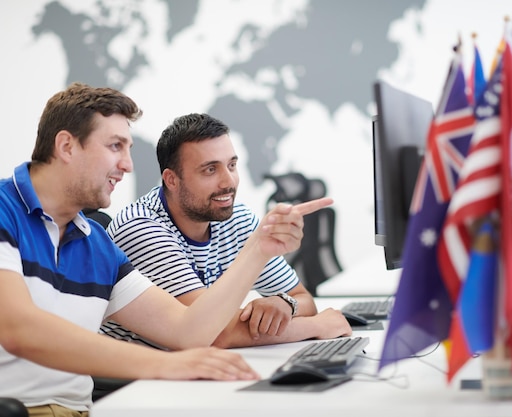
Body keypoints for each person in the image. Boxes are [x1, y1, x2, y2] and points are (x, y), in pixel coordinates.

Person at [0, 82, 339, 416]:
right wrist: (168, 365)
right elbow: (19, 329)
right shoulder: (5, 211)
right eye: (115, 146)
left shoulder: (94, 242)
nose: (128, 165)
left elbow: (188, 332)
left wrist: (258, 249)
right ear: (66, 146)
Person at [101, 113, 352, 349]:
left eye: (231, 165)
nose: (228, 182)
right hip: (135, 383)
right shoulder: (141, 228)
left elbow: (302, 297)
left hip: (190, 371)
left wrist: (285, 304)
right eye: (210, 170)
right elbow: (212, 334)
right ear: (171, 180)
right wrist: (316, 326)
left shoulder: (237, 218)